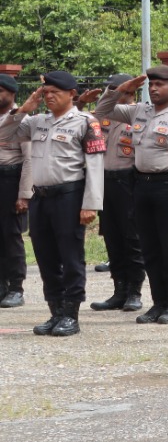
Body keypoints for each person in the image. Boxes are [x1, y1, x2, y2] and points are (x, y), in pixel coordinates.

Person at [97, 67, 168, 325]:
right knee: (149, 248)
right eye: (151, 85)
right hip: (140, 185)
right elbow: (102, 112)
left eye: (160, 85)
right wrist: (119, 90)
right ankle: (158, 303)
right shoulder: (138, 111)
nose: (154, 89)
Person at [15, 72, 104, 336]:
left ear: (72, 94)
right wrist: (24, 109)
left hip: (70, 196)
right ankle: (55, 311)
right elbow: (6, 131)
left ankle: (71, 314)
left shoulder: (85, 123)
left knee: (70, 256)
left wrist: (91, 204)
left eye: (55, 92)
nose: (49, 97)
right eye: (45, 92)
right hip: (40, 198)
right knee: (45, 256)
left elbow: (95, 166)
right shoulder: (36, 121)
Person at [83, 74, 146, 316]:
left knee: (132, 239)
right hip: (104, 181)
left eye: (124, 91)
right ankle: (119, 291)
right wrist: (110, 94)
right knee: (112, 237)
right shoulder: (102, 116)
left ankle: (134, 292)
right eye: (116, 91)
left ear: (132, 93)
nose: (120, 96)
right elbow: (97, 113)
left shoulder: (140, 116)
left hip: (129, 181)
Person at [0, 75, 27, 309]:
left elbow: (29, 160)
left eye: (1, 91)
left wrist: (24, 194)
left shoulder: (22, 119)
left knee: (10, 235)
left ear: (12, 94)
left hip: (10, 179)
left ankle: (16, 288)